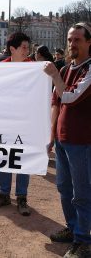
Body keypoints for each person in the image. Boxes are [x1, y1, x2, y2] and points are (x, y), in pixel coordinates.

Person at [44, 22, 91, 258]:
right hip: (62, 141)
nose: (72, 44)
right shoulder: (64, 69)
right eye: (70, 39)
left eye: (78, 40)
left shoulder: (89, 69)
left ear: (89, 42)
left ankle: (84, 240)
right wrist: (51, 135)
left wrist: (54, 75)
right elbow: (56, 103)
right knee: (64, 187)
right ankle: (73, 228)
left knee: (82, 192)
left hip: (82, 142)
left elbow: (70, 98)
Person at [0, 32, 32, 216]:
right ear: (12, 49)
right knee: (4, 157)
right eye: (24, 48)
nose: (27, 51)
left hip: (26, 122)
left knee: (22, 159)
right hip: (5, 122)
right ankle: (4, 193)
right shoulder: (1, 68)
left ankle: (22, 197)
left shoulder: (34, 68)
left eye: (28, 48)